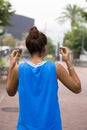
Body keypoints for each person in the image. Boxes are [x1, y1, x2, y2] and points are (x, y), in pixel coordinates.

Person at [6, 26, 81, 130]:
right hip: (51, 127)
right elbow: (77, 88)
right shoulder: (55, 68)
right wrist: (68, 61)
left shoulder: (18, 69)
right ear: (45, 48)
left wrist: (11, 66)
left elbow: (10, 92)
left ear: (29, 48)